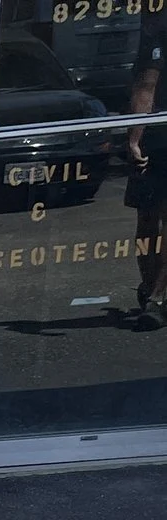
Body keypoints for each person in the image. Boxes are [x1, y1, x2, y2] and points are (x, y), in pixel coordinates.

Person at [127, 58, 167, 327]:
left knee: (151, 220)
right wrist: (135, 138)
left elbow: (146, 86)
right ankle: (154, 293)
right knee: (150, 220)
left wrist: (134, 138)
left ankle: (155, 294)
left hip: (157, 141)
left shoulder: (156, 27)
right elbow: (146, 87)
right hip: (158, 141)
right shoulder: (156, 28)